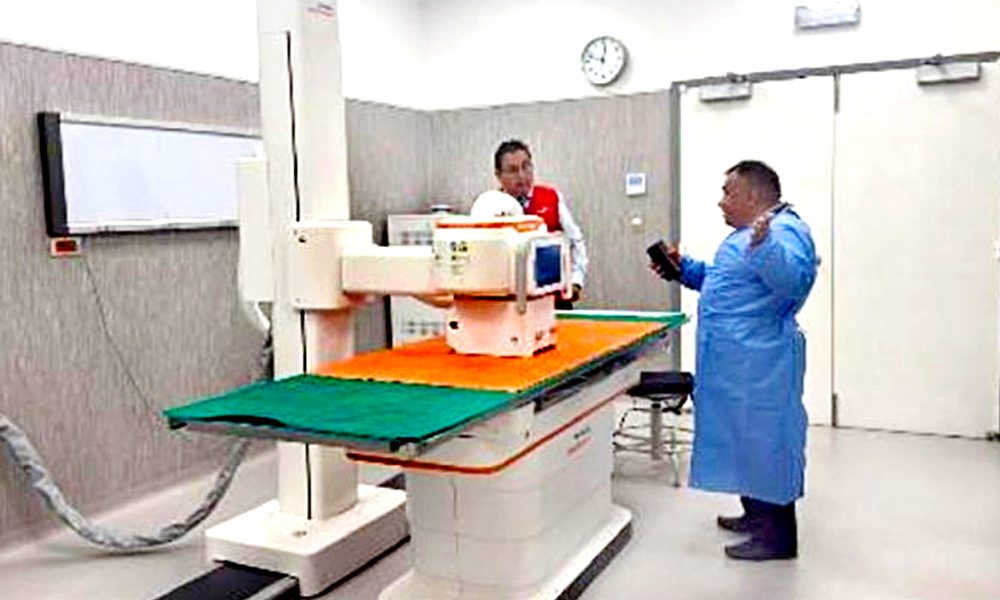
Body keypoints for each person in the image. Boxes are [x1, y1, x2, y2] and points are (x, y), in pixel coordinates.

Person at [651, 160, 817, 561]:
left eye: (728, 192)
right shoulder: (748, 236)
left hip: (761, 367)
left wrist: (766, 247)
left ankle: (778, 538)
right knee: (745, 443)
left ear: (753, 196)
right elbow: (728, 282)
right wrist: (683, 270)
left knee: (766, 446)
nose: (721, 201)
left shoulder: (783, 231)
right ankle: (756, 517)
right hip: (737, 366)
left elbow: (796, 280)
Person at [472, 139, 589, 309]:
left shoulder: (551, 197)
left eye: (526, 167)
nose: (522, 176)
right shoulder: (489, 207)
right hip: (510, 303)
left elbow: (575, 240)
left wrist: (577, 280)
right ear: (498, 175)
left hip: (554, 301)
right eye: (513, 170)